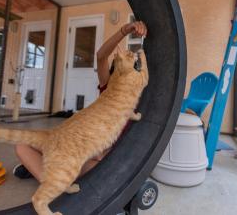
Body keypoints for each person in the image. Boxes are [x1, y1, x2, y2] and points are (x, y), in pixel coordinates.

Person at [13, 21, 148, 180]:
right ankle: (45, 171)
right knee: (22, 144)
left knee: (101, 171)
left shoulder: (140, 94)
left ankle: (42, 169)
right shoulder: (108, 85)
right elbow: (101, 56)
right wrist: (125, 30)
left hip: (98, 156)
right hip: (75, 144)